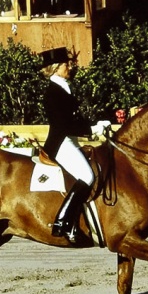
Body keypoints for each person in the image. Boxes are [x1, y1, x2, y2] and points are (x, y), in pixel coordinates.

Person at [40, 47, 110, 243]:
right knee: (87, 176)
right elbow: (64, 125)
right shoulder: (52, 93)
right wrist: (92, 130)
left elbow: (75, 118)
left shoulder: (63, 86)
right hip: (60, 143)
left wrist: (94, 124)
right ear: (55, 68)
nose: (69, 67)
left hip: (69, 140)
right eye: (65, 64)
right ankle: (63, 223)